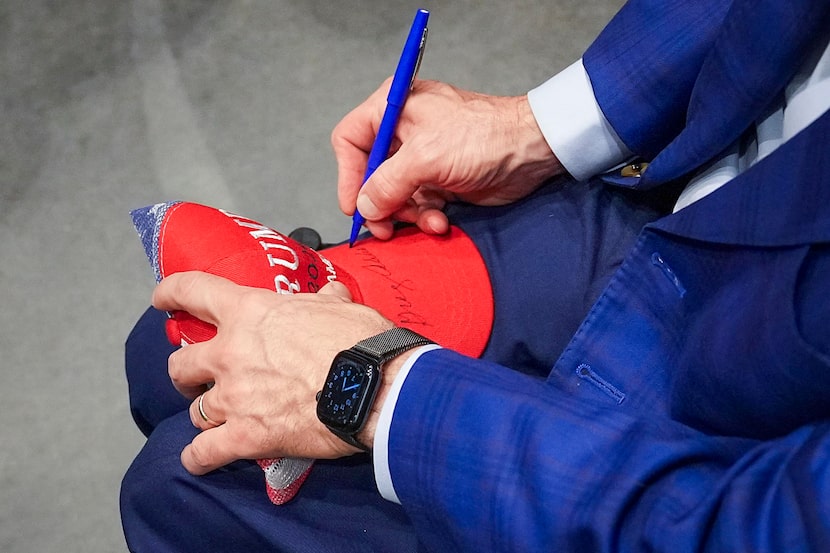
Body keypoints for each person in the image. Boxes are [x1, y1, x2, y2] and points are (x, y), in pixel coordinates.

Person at [120, 0, 830, 551]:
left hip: (722, 439)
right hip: (700, 198)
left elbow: (734, 528)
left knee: (180, 486)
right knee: (169, 347)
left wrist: (374, 388)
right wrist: (540, 127)